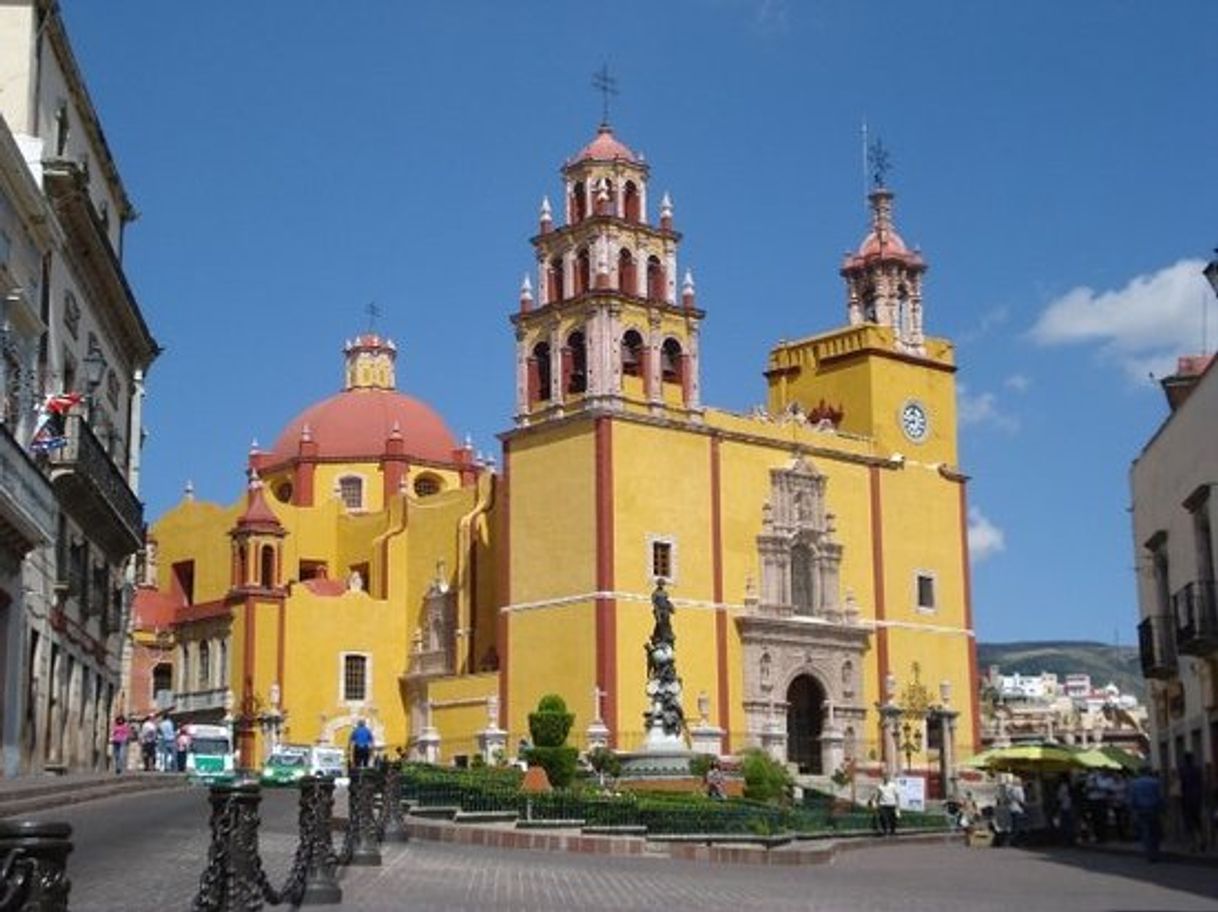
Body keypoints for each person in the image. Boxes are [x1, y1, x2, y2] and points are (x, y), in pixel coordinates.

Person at [1128, 765, 1164, 862]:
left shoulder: (1134, 783)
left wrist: (1132, 811)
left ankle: (1149, 853)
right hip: (1153, 809)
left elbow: (1132, 799)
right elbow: (1160, 797)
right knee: (1155, 832)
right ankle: (1155, 852)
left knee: (1145, 832)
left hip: (1141, 810)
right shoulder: (1155, 782)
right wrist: (1162, 809)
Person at [1178, 752, 1205, 853]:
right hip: (1197, 798)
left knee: (1189, 823)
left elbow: (1181, 785)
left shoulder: (1182, 771)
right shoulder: (1198, 770)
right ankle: (1202, 840)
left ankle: (1193, 845)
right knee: (1198, 821)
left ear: (1185, 760)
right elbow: (1201, 783)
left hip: (1187, 799)